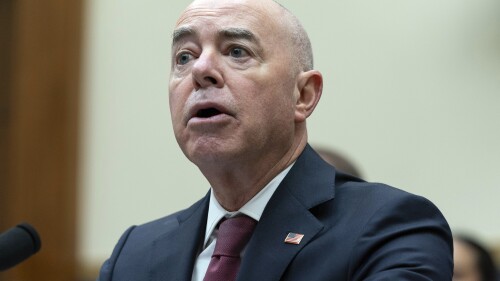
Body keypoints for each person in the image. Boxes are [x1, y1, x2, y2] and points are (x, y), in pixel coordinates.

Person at [98, 0, 453, 280]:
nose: (200, 70)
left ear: (303, 95)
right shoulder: (135, 255)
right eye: (184, 56)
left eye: (237, 51)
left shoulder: (390, 228)